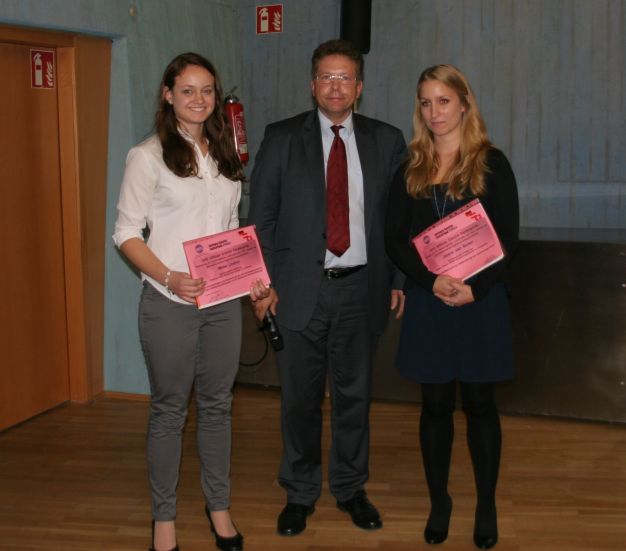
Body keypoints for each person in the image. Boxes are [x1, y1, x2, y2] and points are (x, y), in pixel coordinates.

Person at [247, 39, 407, 537]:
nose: (335, 86)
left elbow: (400, 220)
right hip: (297, 291)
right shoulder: (280, 137)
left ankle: (350, 487)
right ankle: (299, 492)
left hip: (363, 290)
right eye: (325, 77)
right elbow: (262, 218)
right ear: (312, 83)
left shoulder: (387, 140)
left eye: (345, 78)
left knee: (354, 397)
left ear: (359, 87)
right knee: (299, 398)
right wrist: (262, 284)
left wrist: (400, 279)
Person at [113, 52, 266, 551]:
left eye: (207, 91)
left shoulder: (226, 154)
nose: (199, 100)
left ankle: (218, 508)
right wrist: (170, 276)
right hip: (168, 300)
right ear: (168, 95)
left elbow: (229, 230)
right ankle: (164, 519)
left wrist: (254, 278)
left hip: (223, 301)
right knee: (169, 410)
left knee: (219, 407)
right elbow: (125, 234)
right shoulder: (148, 154)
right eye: (188, 91)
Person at [385, 64, 519, 550]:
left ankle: (486, 503)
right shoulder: (411, 166)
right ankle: (439, 502)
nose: (434, 111)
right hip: (430, 300)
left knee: (481, 406)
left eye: (443, 100)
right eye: (425, 101)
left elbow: (508, 237)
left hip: (479, 303)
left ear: (464, 102)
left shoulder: (492, 163)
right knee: (434, 407)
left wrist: (475, 289)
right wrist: (431, 280)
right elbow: (393, 240)